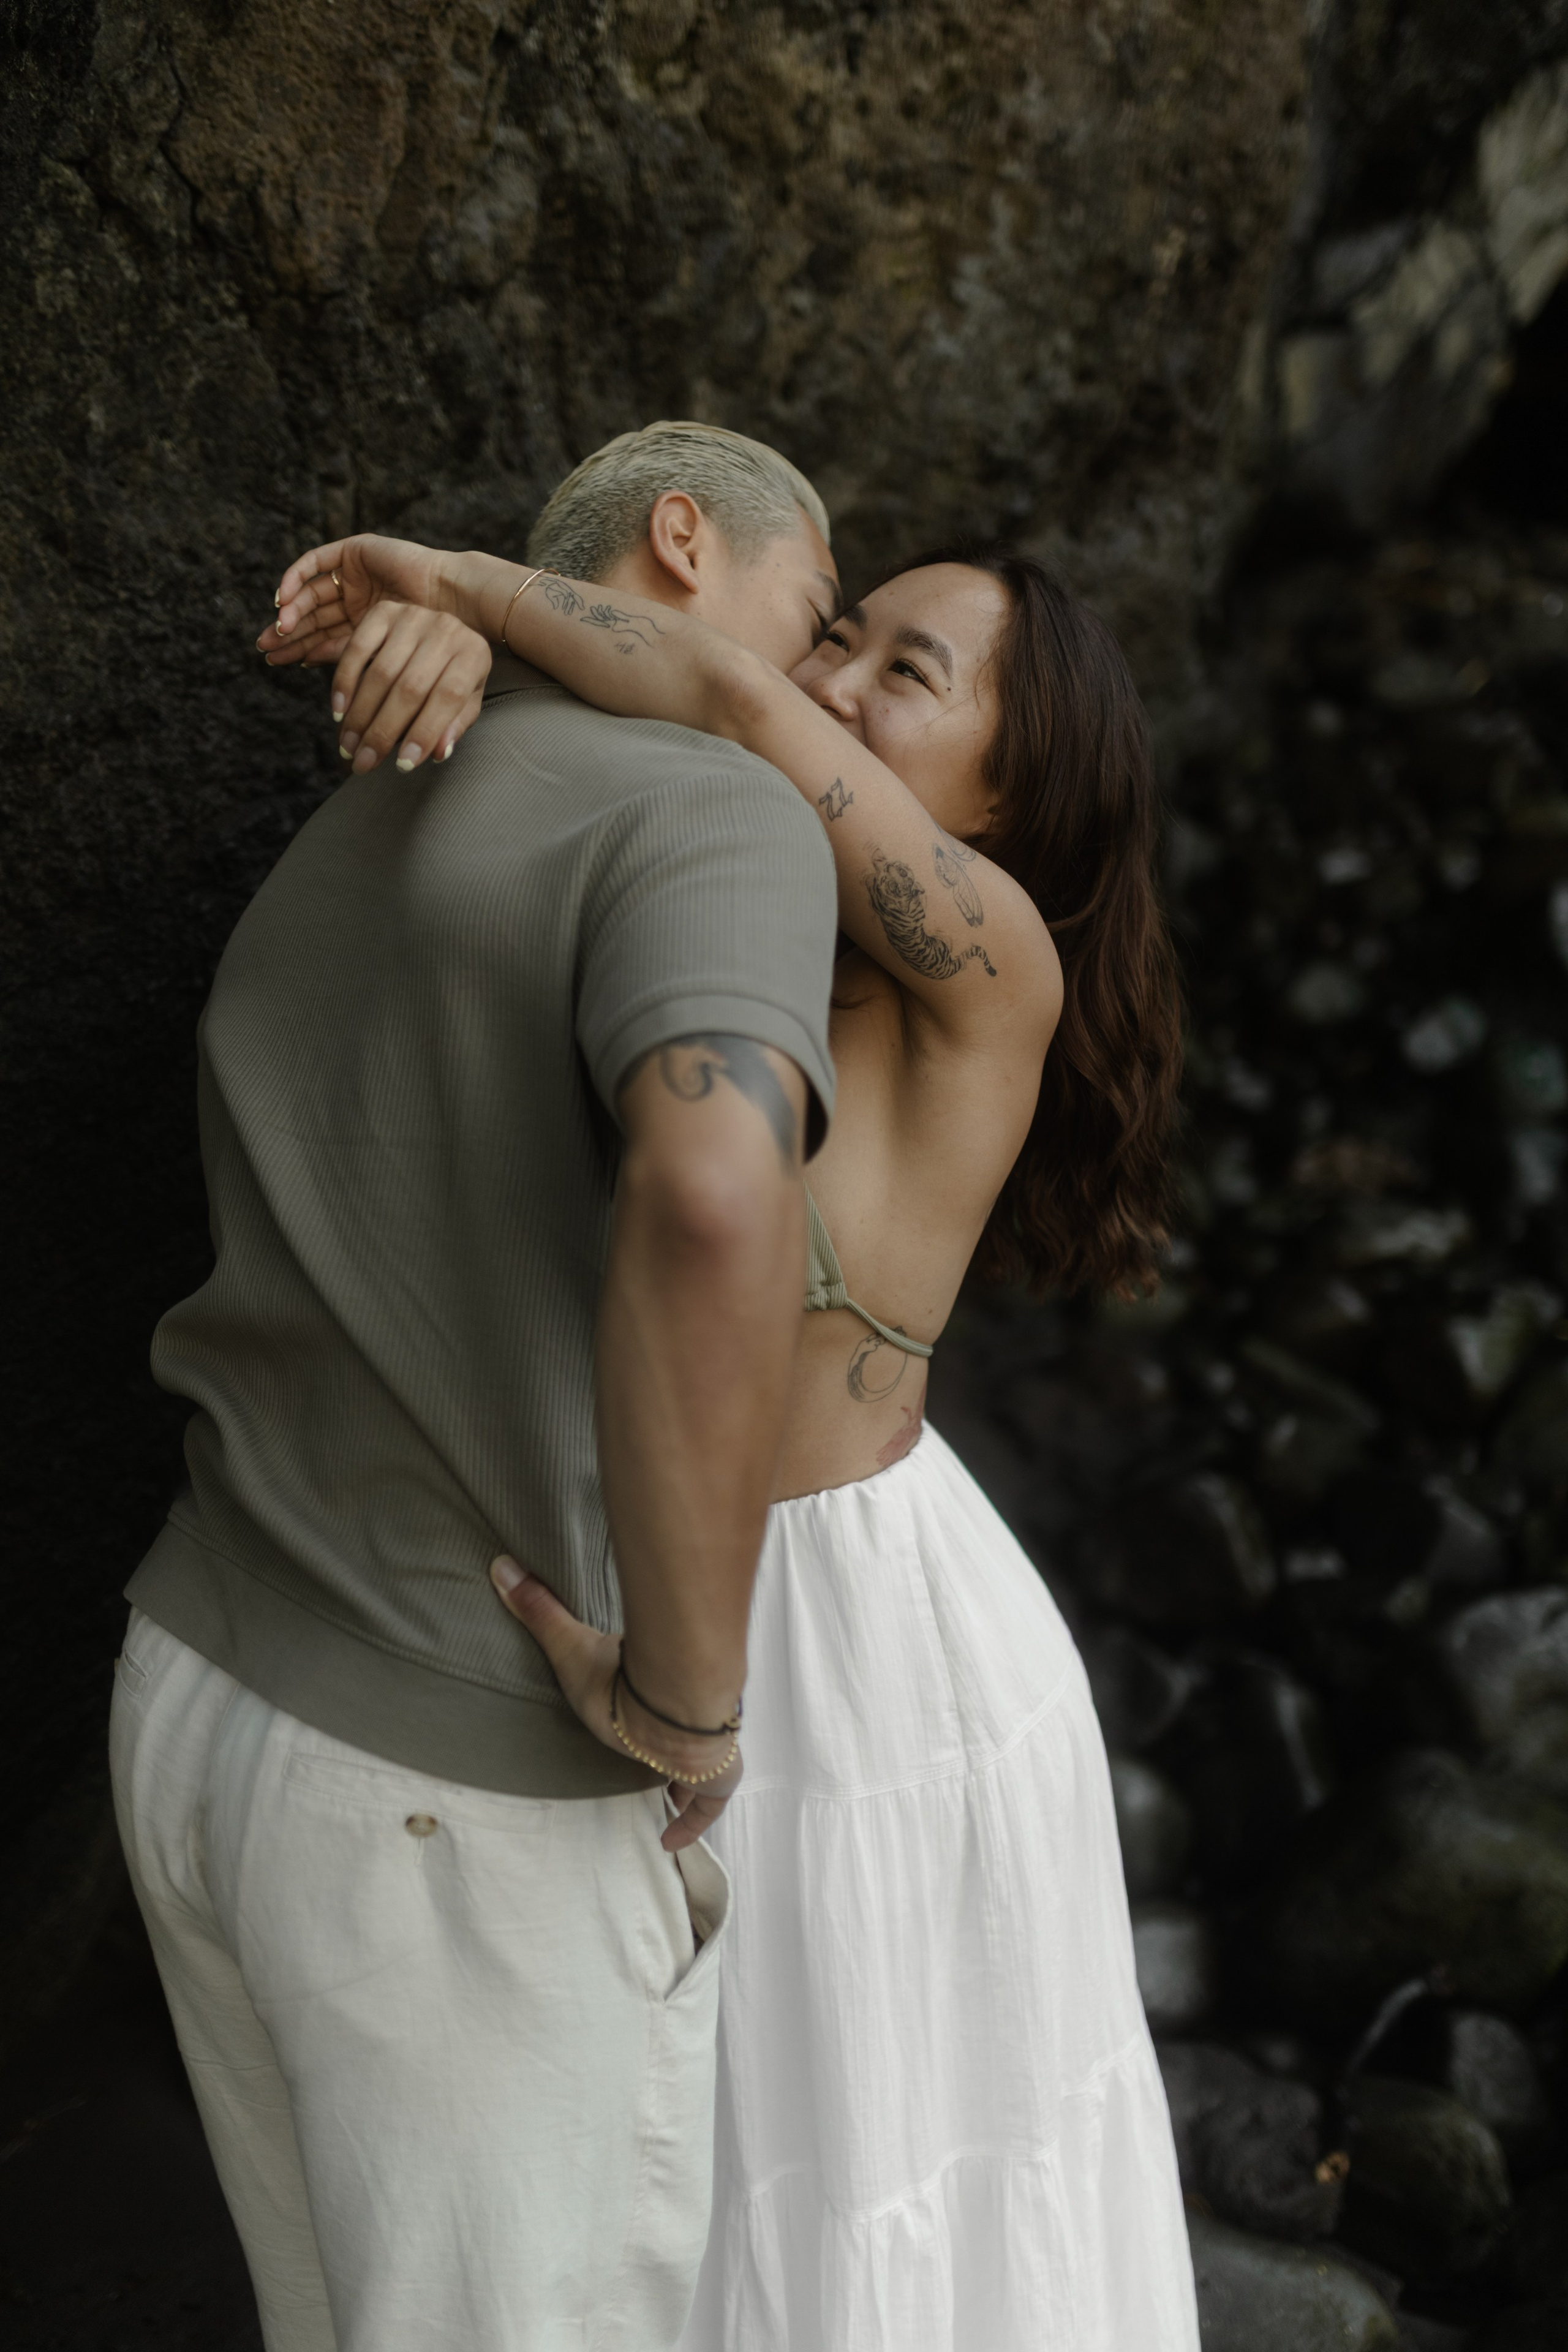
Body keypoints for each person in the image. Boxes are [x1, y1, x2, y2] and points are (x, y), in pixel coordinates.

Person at [259, 518, 1202, 2348]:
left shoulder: (988, 963)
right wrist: (467, 666)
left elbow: (708, 677)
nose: (833, 677)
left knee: (872, 2172)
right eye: (843, 633)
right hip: (678, 1595)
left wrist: (446, 581)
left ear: (1018, 802)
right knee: (694, 2181)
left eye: (905, 674)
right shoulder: (720, 900)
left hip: (872, 1650)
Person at [110, 423, 854, 2352]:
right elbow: (712, 1199)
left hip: (195, 1682)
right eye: (823, 613)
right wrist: (693, 1701)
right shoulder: (715, 810)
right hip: (450, 1791)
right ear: (685, 540)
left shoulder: (377, 797)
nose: (832, 679)